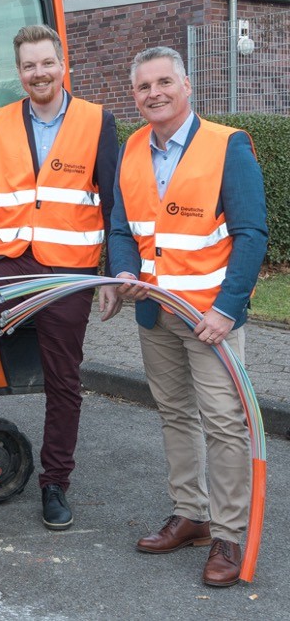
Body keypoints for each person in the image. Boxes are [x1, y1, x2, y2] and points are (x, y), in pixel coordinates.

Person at [0, 25, 120, 532]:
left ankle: (55, 482)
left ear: (62, 64)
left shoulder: (98, 122)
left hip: (68, 269)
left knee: (63, 379)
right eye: (29, 66)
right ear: (20, 72)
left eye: (46, 63)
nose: (39, 73)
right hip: (9, 259)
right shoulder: (3, 121)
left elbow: (116, 205)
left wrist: (117, 274)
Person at [110, 47, 267, 587]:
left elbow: (251, 234)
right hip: (156, 314)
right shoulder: (131, 148)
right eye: (142, 86)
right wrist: (124, 273)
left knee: (225, 423)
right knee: (175, 414)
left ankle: (226, 534)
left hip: (209, 318)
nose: (153, 93)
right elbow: (121, 230)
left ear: (187, 85)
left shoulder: (228, 145)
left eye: (163, 82)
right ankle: (191, 514)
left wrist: (228, 309)